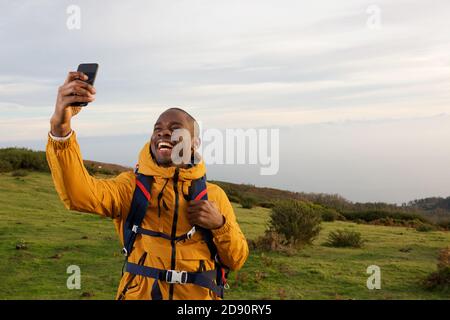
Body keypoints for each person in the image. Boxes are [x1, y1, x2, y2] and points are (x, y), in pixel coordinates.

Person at [46, 71, 249, 300]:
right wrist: (60, 127)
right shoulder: (130, 187)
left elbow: (236, 259)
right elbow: (78, 195)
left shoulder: (214, 196)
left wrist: (220, 224)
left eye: (175, 128)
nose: (163, 131)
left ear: (195, 142)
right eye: (157, 128)